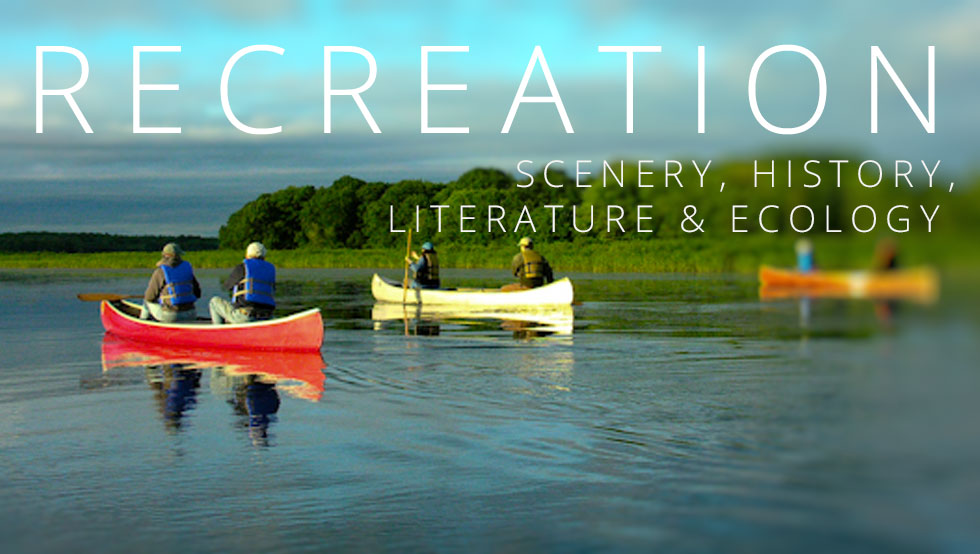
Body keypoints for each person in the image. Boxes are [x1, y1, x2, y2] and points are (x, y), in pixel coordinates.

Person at [210, 242, 276, 324]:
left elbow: (226, 286)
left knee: (214, 302)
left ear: (247, 255)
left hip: (245, 316)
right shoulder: (270, 270)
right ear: (264, 257)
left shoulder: (242, 267)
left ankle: (218, 332)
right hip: (268, 316)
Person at [139, 242, 201, 322]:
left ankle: (142, 324)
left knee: (146, 302)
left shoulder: (160, 271)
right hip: (191, 314)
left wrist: (161, 298)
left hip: (172, 316)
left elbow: (149, 297)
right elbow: (198, 294)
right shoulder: (187, 269)